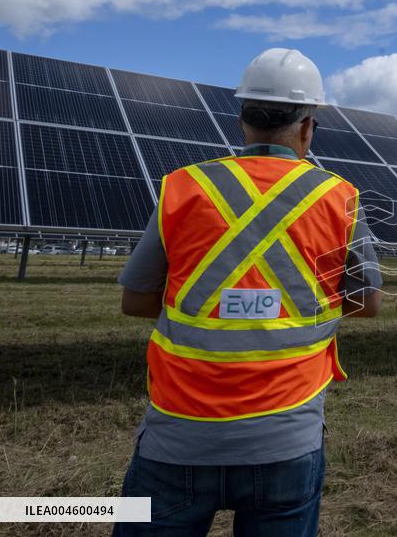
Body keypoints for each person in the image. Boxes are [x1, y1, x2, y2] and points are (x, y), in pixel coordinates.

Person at [113, 48, 382, 536]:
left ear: (242, 120)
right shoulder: (339, 196)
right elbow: (369, 303)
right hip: (287, 437)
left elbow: (136, 300)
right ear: (308, 127)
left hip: (177, 435)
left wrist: (216, 307)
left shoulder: (182, 187)